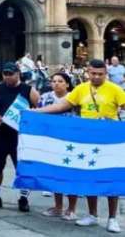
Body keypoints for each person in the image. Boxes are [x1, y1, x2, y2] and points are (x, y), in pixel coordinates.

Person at [37, 59, 125, 233]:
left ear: (106, 74)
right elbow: (62, 106)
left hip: (108, 140)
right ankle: (92, 215)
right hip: (87, 139)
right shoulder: (81, 89)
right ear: (88, 72)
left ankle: (112, 218)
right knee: (89, 177)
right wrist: (36, 112)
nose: (96, 77)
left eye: (100, 74)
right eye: (93, 73)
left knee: (110, 178)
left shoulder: (115, 89)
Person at [0, 61, 39, 212]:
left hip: (21, 135)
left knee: (22, 167)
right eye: (5, 74)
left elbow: (41, 108)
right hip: (0, 133)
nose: (7, 77)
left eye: (10, 74)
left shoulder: (29, 90)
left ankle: (23, 198)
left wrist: (30, 116)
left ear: (18, 73)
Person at [37, 72, 78, 221]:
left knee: (70, 174)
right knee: (55, 173)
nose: (56, 84)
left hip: (70, 141)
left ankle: (71, 209)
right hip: (51, 140)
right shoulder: (45, 97)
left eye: (60, 81)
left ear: (67, 84)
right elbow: (37, 115)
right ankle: (58, 206)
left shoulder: (74, 97)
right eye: (53, 81)